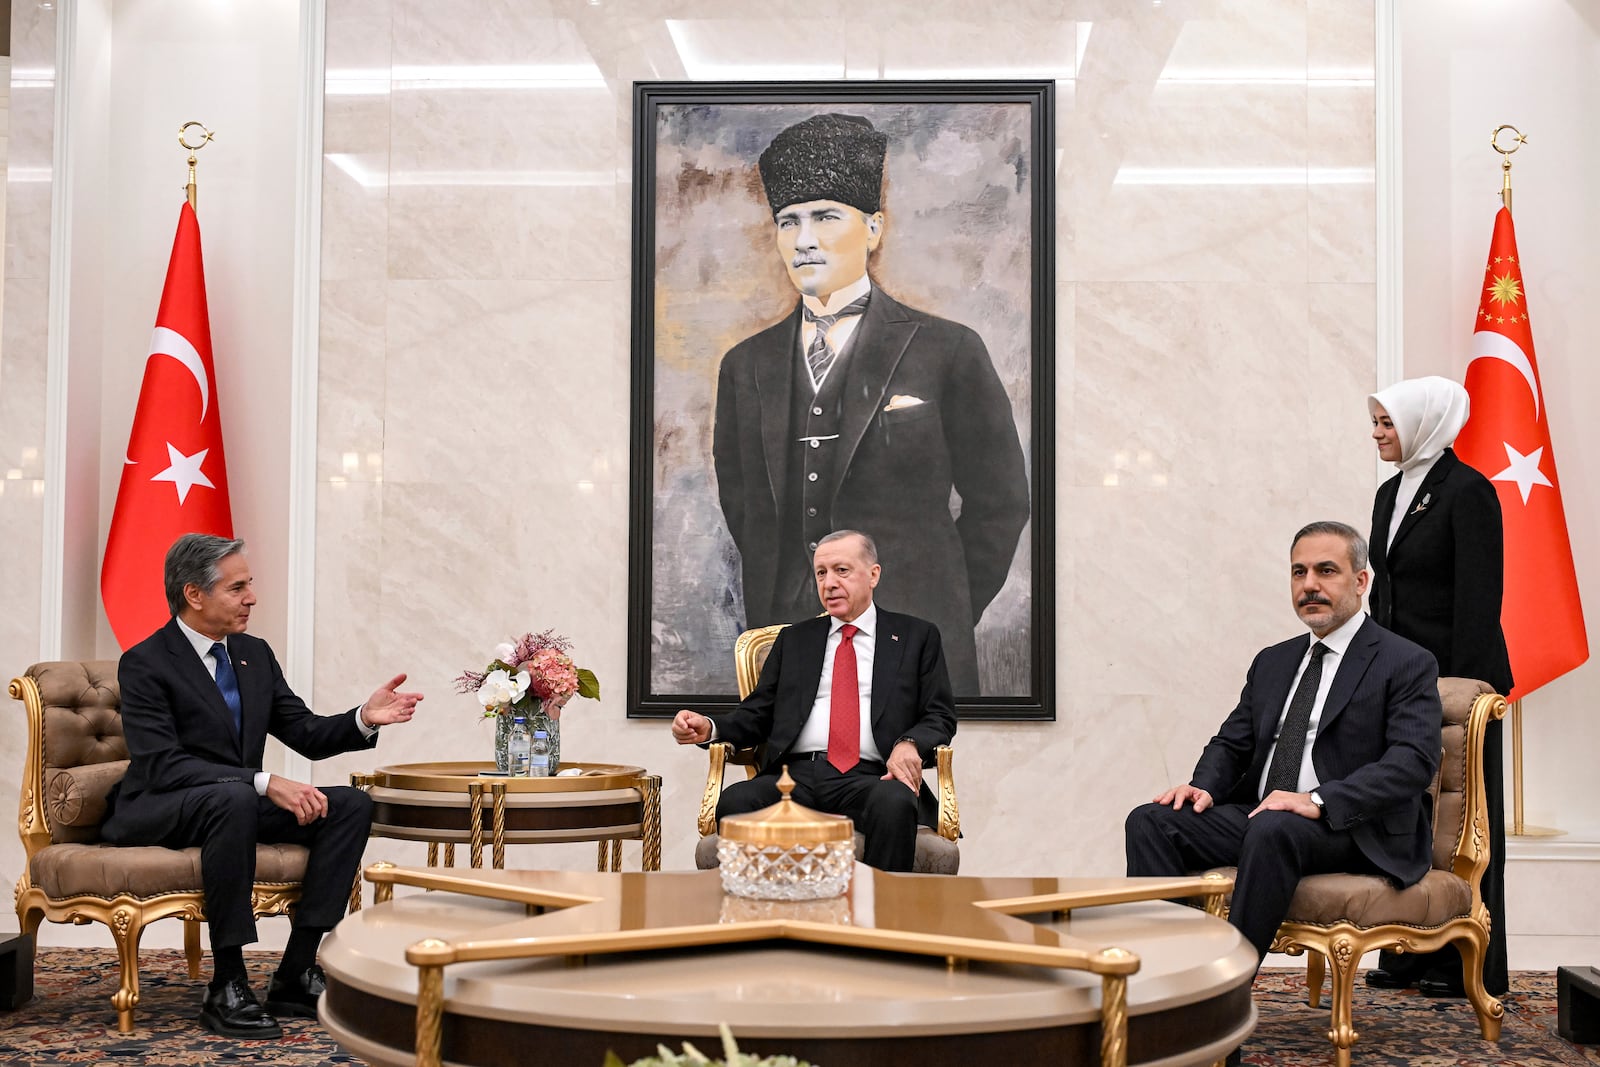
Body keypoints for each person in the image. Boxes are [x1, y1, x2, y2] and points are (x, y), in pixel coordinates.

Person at [711, 112, 1031, 696]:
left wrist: (940, 612)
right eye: (789, 222)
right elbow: (746, 509)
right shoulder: (744, 366)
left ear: (874, 228)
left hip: (915, 645)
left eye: (826, 217)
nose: (804, 239)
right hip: (790, 643)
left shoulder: (949, 348)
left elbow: (1002, 502)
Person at [102, 534, 422, 1038]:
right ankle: (227, 982)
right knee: (235, 797)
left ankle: (297, 970)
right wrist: (263, 781)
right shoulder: (145, 662)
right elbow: (163, 764)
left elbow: (306, 734)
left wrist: (363, 717)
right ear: (194, 594)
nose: (252, 597)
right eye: (238, 587)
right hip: (160, 806)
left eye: (249, 585)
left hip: (233, 806)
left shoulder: (252, 654)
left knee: (350, 805)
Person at [1125, 521, 1442, 965]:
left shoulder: (1405, 661)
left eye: (1326, 571)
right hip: (1265, 818)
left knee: (1275, 826)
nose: (1309, 585)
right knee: (1151, 821)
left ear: (1360, 581)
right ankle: (1174, 974)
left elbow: (1412, 762)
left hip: (1353, 827)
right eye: (1299, 572)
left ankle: (1225, 989)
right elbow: (1231, 741)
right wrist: (1204, 787)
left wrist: (1317, 799)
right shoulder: (1274, 661)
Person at [671, 529, 956, 871]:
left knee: (895, 801)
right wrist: (710, 727)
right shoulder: (795, 640)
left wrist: (910, 743)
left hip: (872, 778)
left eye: (842, 570)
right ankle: (756, 914)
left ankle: (881, 916)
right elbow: (757, 713)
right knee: (738, 799)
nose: (829, 583)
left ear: (873, 575)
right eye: (821, 572)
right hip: (796, 776)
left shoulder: (916, 636)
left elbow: (939, 715)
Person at [1364, 376, 1513, 998]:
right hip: (1402, 682)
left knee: (1469, 825)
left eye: (1386, 423)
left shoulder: (1469, 492)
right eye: (1375, 423)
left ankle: (1471, 964)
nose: (1377, 434)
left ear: (1423, 422)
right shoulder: (1387, 493)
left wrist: (1465, 693)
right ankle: (1410, 953)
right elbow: (1386, 592)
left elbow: (1479, 603)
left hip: (1458, 684)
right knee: (1410, 817)